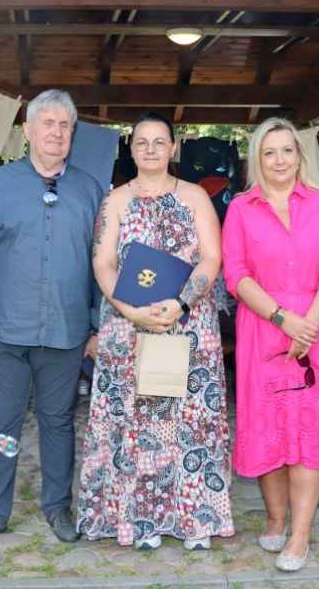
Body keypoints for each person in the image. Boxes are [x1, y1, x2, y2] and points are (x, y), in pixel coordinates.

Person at [0, 89, 103, 551]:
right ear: (28, 130)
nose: (56, 132)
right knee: (1, 425)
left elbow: (101, 265)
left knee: (59, 422)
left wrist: (97, 325)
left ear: (72, 133)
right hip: (5, 331)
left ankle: (58, 507)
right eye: (48, 123)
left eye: (64, 125)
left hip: (66, 331)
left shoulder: (90, 190)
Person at [76, 112, 233, 551]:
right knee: (135, 423)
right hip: (129, 328)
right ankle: (139, 519)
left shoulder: (195, 197)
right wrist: (130, 311)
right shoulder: (115, 200)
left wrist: (181, 303)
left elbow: (212, 257)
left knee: (190, 424)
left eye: (159, 141)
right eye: (141, 141)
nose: (150, 149)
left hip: (188, 326)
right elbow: (103, 262)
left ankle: (196, 519)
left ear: (174, 147)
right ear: (130, 148)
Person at [222, 117, 319, 572]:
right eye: (269, 152)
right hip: (263, 327)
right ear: (257, 159)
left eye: (287, 150)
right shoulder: (241, 209)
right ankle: (275, 518)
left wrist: (310, 323)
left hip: (316, 331)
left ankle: (300, 534)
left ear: (300, 156)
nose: (279, 160)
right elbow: (236, 274)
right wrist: (283, 318)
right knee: (269, 427)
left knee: (309, 432)